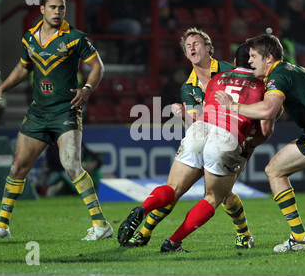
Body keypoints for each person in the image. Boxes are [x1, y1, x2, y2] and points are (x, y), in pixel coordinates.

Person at [117, 43, 275, 252]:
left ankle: (142, 209)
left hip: (200, 128)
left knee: (173, 189)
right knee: (213, 197)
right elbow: (264, 129)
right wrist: (249, 144)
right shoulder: (264, 86)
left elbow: (206, 108)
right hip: (226, 136)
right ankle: (173, 241)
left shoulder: (217, 79)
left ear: (235, 62)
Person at [0, 0, 113, 240]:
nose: (57, 12)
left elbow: (97, 66)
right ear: (42, 9)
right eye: (53, 7)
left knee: (72, 166)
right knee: (18, 167)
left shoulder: (75, 38)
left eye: (61, 8)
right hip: (38, 112)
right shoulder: (29, 38)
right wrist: (1, 87)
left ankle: (101, 225)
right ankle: (2, 227)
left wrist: (87, 89)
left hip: (66, 109)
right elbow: (23, 68)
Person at [215, 34, 305, 253]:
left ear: (269, 57)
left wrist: (233, 107)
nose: (250, 61)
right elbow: (277, 112)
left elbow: (268, 109)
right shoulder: (297, 70)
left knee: (274, 170)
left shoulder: (278, 75)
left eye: (253, 56)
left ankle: (299, 238)